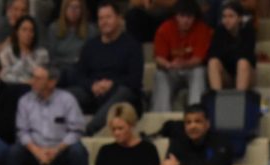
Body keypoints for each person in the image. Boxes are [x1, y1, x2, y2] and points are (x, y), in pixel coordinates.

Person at [2, 64, 90, 165]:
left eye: (38, 78)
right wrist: (37, 151)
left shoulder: (67, 99)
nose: (32, 81)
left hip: (60, 150)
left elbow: (76, 130)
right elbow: (22, 132)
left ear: (52, 82)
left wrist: (56, 150)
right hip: (34, 150)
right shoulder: (24, 101)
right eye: (33, 77)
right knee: (14, 151)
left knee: (79, 151)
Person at [69, 1, 144, 135]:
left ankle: (88, 130)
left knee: (125, 91)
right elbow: (79, 75)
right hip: (94, 94)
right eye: (101, 18)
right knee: (67, 94)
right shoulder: (90, 46)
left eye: (108, 17)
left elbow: (135, 80)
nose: (104, 22)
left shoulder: (132, 45)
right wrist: (92, 85)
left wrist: (112, 84)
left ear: (119, 19)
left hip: (120, 95)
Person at [151, 0, 212, 113]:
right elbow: (159, 58)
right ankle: (162, 117)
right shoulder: (165, 28)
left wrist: (183, 64)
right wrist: (168, 64)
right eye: (182, 16)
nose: (185, 20)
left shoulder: (202, 29)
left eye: (189, 17)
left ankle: (196, 113)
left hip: (192, 69)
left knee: (199, 72)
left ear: (195, 18)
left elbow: (198, 59)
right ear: (176, 16)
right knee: (159, 75)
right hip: (171, 70)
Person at [206, 1, 254, 92]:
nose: (227, 20)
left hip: (245, 73)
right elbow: (212, 54)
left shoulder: (248, 31)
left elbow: (247, 55)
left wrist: (227, 52)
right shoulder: (219, 31)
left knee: (242, 63)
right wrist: (232, 52)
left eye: (231, 16)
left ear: (239, 18)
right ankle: (217, 99)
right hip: (227, 74)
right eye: (224, 16)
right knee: (213, 62)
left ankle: (240, 100)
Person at [47, 0, 96, 80]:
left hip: (81, 70)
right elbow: (51, 58)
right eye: (70, 7)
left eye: (77, 7)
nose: (73, 11)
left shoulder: (90, 30)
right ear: (64, 9)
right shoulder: (54, 28)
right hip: (60, 71)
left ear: (82, 10)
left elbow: (92, 57)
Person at [0, 15, 50, 84]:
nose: (28, 34)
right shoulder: (6, 53)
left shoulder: (42, 53)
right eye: (24, 30)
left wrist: (27, 58)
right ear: (17, 32)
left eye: (31, 31)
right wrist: (25, 82)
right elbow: (4, 76)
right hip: (12, 89)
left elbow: (41, 75)